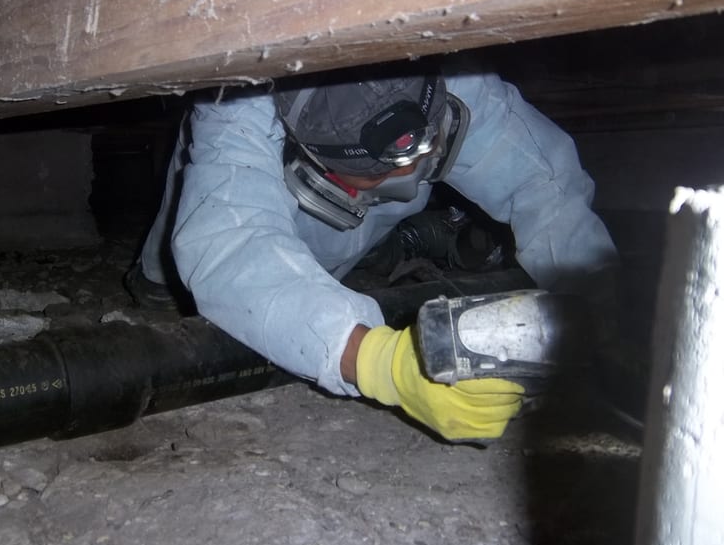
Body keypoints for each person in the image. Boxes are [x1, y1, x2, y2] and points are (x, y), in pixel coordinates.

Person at [125, 61, 619, 441]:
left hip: (352, 232)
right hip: (220, 239)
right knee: (183, 285)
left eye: (423, 152)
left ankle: (372, 256)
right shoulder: (236, 105)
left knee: (363, 239)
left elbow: (545, 186)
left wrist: (609, 305)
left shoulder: (462, 84)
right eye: (380, 172)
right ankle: (156, 285)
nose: (407, 177)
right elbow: (230, 242)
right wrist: (381, 362)